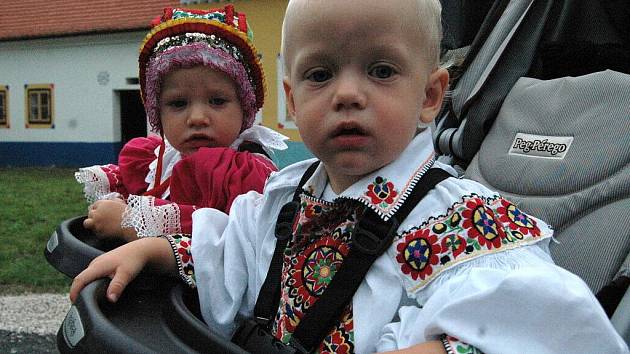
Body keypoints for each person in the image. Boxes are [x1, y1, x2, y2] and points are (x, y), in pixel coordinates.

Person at [70, 0, 629, 353]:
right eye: (320, 74)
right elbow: (234, 251)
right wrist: (160, 251)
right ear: (291, 100)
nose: (347, 94)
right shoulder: (287, 198)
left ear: (430, 95)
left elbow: (540, 321)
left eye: (381, 70)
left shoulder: (458, 222)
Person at [75, 5, 287, 241]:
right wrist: (111, 204)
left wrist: (131, 221)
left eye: (217, 101)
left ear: (245, 107)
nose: (197, 118)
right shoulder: (157, 159)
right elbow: (130, 186)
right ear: (157, 112)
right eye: (178, 104)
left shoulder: (244, 172)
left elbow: (230, 238)